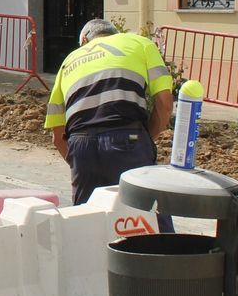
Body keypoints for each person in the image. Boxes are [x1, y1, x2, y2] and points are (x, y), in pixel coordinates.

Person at [44, 18, 175, 208]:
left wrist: (81, 163)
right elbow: (164, 103)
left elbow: (57, 136)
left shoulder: (68, 61)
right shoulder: (140, 43)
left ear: (85, 41)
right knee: (148, 216)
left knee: (88, 218)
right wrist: (148, 139)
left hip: (81, 145)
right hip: (126, 137)